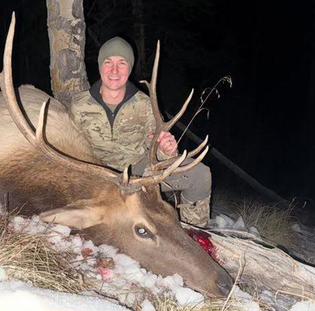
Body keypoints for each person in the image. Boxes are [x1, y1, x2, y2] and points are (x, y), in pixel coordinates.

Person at [69, 37, 212, 227]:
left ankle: (192, 232)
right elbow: (70, 146)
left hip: (138, 176)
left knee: (199, 174)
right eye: (108, 62)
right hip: (95, 177)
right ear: (99, 65)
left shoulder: (146, 104)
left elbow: (156, 147)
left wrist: (167, 150)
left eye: (122, 63)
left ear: (130, 68)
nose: (114, 70)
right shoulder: (78, 104)